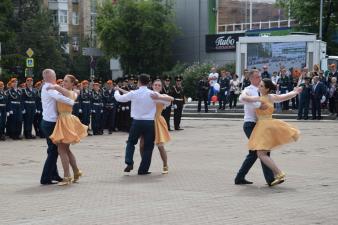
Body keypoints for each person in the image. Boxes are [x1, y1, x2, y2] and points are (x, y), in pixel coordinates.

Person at [240, 78, 301, 186]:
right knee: (262, 153)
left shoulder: (259, 98)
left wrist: (244, 90)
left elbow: (244, 98)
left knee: (261, 154)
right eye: (260, 85)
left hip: (263, 127)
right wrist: (295, 92)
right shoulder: (271, 97)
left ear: (267, 89)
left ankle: (279, 173)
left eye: (262, 86)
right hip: (270, 124)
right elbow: (284, 97)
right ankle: (276, 175)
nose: (259, 87)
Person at [114, 74, 168, 175]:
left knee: (131, 142)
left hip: (137, 122)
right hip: (150, 123)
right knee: (148, 147)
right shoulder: (153, 94)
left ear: (139, 82)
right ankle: (143, 170)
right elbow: (166, 100)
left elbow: (119, 99)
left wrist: (116, 91)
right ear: (149, 83)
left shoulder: (134, 93)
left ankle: (129, 161)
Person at [234, 70, 275, 186]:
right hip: (250, 124)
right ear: (251, 78)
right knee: (262, 150)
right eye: (257, 77)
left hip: (260, 125)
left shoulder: (262, 90)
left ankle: (239, 177)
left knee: (254, 153)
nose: (259, 79)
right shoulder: (248, 89)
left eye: (260, 77)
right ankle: (270, 179)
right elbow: (242, 98)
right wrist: (258, 105)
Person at [48, 74, 87, 186]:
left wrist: (53, 86)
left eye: (66, 81)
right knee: (66, 150)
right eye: (63, 81)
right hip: (63, 119)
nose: (63, 83)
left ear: (71, 84)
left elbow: (62, 91)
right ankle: (76, 171)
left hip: (66, 120)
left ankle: (67, 177)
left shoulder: (71, 93)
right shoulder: (68, 92)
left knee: (61, 150)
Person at [40, 69, 75, 185]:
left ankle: (53, 174)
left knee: (52, 149)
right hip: (50, 123)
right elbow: (59, 98)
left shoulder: (50, 86)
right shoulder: (49, 87)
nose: (55, 79)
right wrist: (71, 101)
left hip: (48, 121)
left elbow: (63, 92)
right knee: (54, 151)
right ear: (50, 77)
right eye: (54, 76)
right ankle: (45, 178)